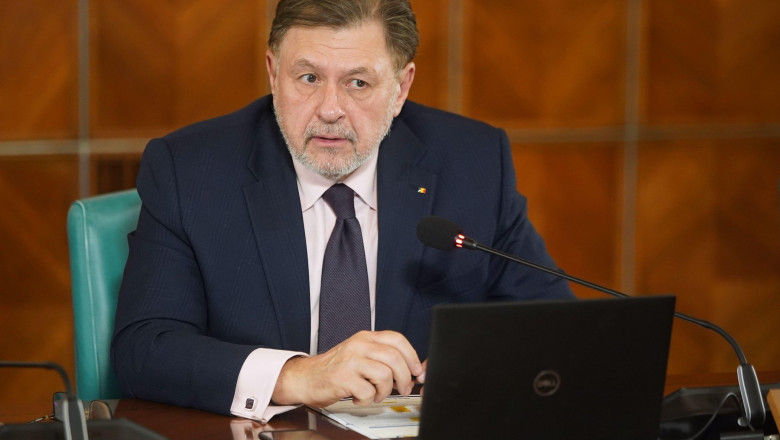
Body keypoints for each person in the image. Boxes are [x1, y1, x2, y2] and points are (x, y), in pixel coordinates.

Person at [111, 0, 574, 423]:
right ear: (274, 74)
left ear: (400, 88)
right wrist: (300, 375)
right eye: (309, 78)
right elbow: (145, 349)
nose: (330, 110)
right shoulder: (191, 171)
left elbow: (553, 326)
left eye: (358, 83)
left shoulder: (472, 163)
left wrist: (480, 360)